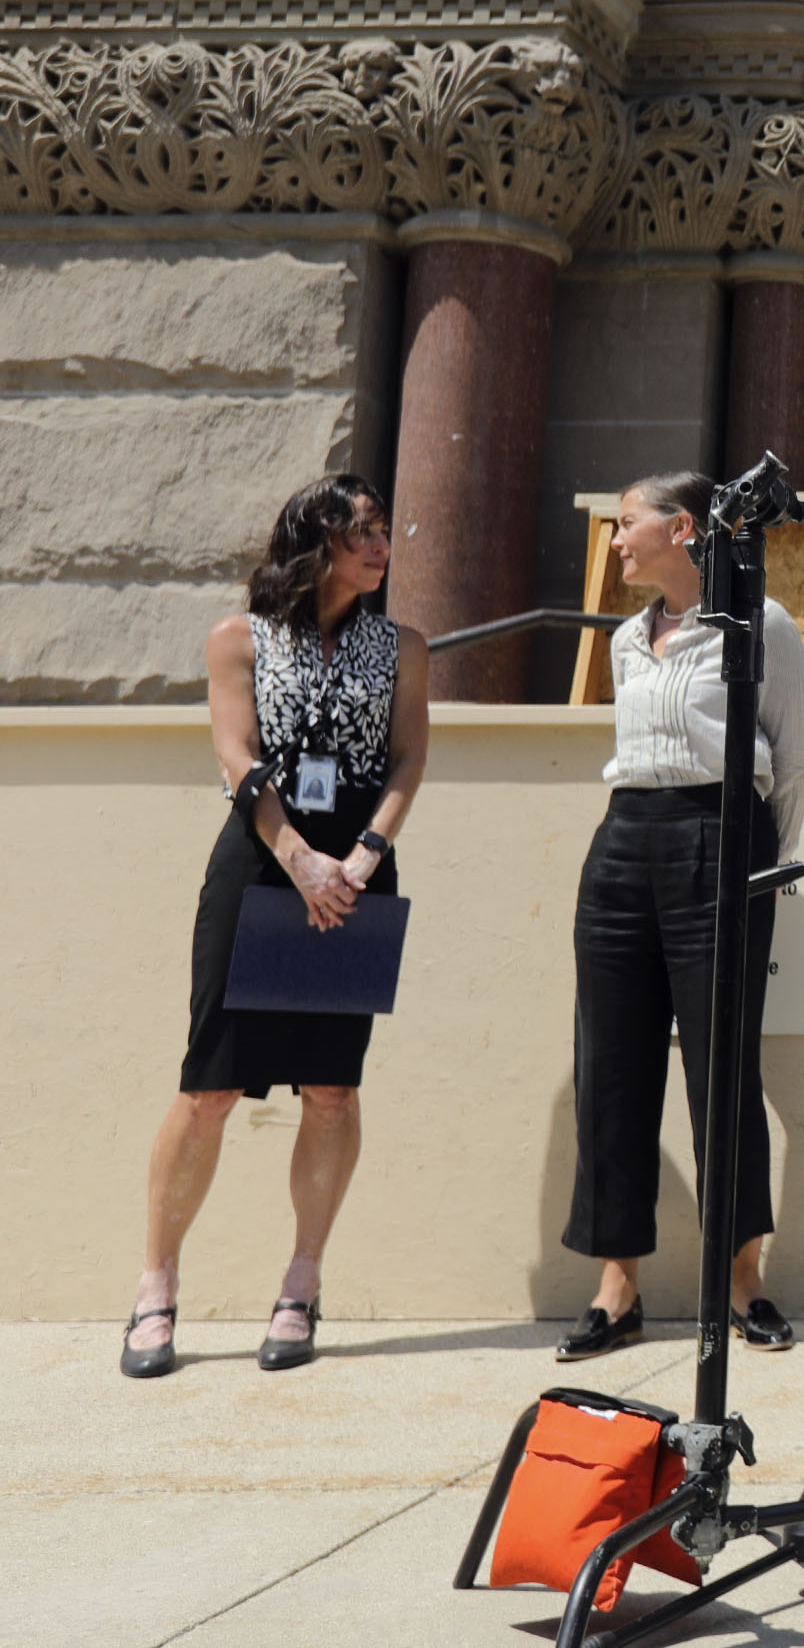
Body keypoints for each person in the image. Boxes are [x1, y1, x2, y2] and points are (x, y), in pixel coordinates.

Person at [126, 475, 431, 1379]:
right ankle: (155, 1285)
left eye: (383, 532)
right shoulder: (240, 639)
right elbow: (236, 755)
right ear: (315, 543)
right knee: (209, 1087)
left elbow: (410, 754)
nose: (380, 547)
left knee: (331, 1087)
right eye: (362, 533)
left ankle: (301, 1283)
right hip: (262, 861)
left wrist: (363, 859)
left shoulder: (403, 645)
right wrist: (300, 859)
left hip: (358, 866)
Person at [556, 471, 804, 1362]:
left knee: (722, 1070)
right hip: (625, 839)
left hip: (721, 835)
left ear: (683, 528)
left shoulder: (759, 627)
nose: (616, 541)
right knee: (611, 1069)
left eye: (626, 524)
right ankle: (616, 1287)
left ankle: (740, 1282)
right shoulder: (630, 638)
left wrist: (766, 859)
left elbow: (791, 759)